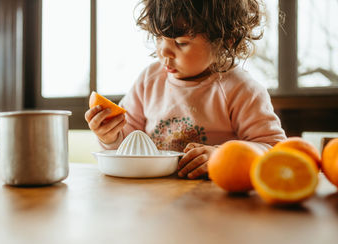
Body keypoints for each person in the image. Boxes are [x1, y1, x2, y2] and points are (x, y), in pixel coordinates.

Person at [85, 0, 286, 179]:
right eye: (158, 37)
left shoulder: (240, 89)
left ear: (225, 40)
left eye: (181, 43)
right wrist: (110, 137)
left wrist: (220, 155)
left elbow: (274, 149)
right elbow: (128, 145)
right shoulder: (149, 81)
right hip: (154, 199)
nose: (163, 51)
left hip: (213, 200)